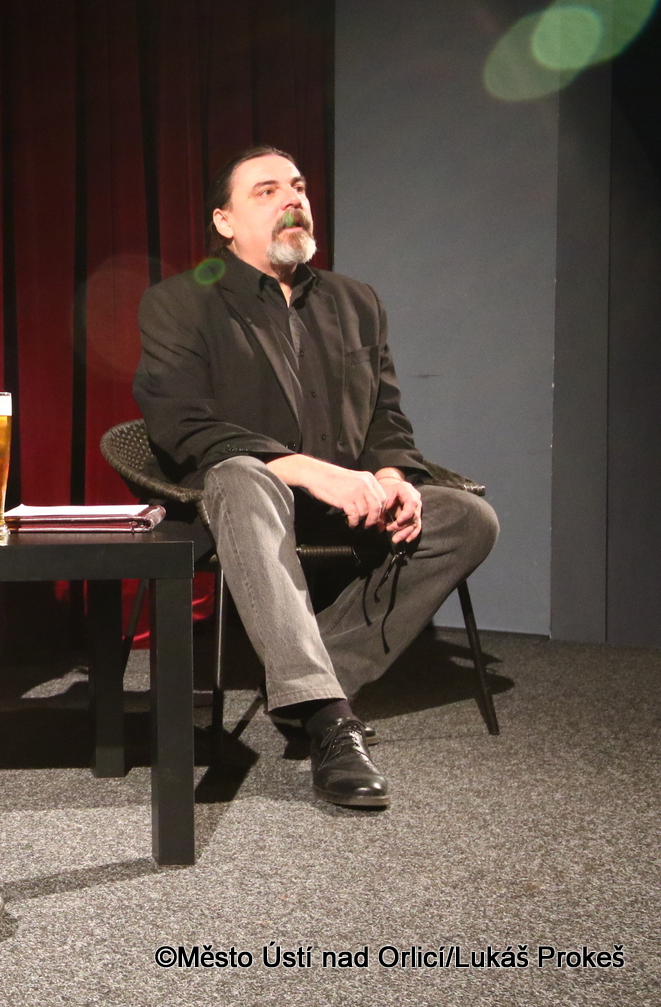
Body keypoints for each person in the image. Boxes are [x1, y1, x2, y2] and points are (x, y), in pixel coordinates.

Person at [133, 146, 498, 809]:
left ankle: (301, 676)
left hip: (347, 505)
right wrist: (305, 470)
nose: (292, 199)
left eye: (297, 187)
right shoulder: (179, 302)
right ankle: (330, 720)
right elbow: (180, 422)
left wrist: (394, 475)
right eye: (266, 190)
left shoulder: (357, 302)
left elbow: (385, 415)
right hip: (240, 504)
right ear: (224, 221)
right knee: (242, 477)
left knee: (469, 519)